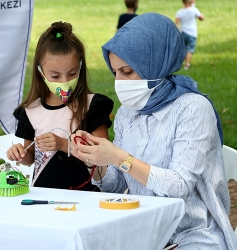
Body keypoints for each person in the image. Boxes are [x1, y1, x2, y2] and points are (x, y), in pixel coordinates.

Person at [71, 13, 237, 249]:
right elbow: (117, 185)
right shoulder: (128, 113)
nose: (119, 81)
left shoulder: (192, 109)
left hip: (195, 237)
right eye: (115, 72)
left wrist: (119, 157)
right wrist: (94, 161)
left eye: (127, 72)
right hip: (144, 233)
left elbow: (180, 186)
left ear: (155, 64)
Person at [6, 21, 114, 191]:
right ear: (41, 72)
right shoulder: (30, 112)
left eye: (72, 74)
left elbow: (103, 163)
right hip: (42, 197)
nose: (65, 82)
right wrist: (19, 154)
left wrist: (63, 144)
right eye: (55, 76)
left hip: (85, 199)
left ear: (80, 67)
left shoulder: (93, 106)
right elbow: (31, 158)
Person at [175, 0, 205, 70]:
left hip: (182, 32)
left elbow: (177, 22)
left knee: (184, 49)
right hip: (191, 33)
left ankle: (179, 64)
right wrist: (202, 15)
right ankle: (187, 64)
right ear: (192, 2)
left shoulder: (180, 12)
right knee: (190, 49)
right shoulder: (194, 10)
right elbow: (201, 18)